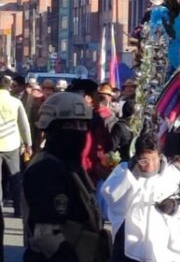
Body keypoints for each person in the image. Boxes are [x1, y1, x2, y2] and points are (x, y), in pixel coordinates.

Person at [22, 92, 111, 262]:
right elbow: (46, 235)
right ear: (52, 128)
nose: (79, 132)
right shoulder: (45, 168)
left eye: (82, 125)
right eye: (71, 125)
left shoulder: (69, 163)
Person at [102, 132, 180, 262]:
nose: (150, 166)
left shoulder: (172, 175)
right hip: (129, 243)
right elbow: (110, 195)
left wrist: (174, 206)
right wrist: (130, 177)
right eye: (144, 161)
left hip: (160, 246)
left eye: (154, 160)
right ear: (137, 157)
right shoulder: (124, 171)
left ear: (160, 156)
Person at [0, 74, 33, 258]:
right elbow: (24, 124)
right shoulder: (15, 102)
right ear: (10, 86)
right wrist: (28, 143)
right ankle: (18, 209)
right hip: (12, 144)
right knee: (15, 178)